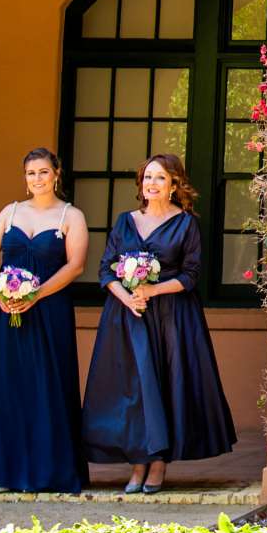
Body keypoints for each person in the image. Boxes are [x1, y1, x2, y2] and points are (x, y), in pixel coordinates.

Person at [81, 153, 237, 492]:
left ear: (174, 185)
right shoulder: (124, 221)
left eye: (160, 178)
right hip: (127, 316)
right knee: (134, 390)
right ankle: (138, 462)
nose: (152, 184)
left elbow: (191, 275)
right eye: (147, 177)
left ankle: (158, 464)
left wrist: (151, 290)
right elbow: (106, 269)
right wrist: (129, 296)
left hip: (172, 317)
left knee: (165, 386)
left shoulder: (186, 224)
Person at [0, 147, 92, 493]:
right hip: (4, 310)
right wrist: (0, 290)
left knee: (48, 387)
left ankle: (50, 471)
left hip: (49, 310)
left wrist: (35, 294)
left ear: (56, 174)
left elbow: (76, 265)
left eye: (44, 172)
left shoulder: (70, 216)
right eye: (31, 173)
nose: (37, 179)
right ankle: (5, 471)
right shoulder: (10, 212)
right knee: (6, 387)